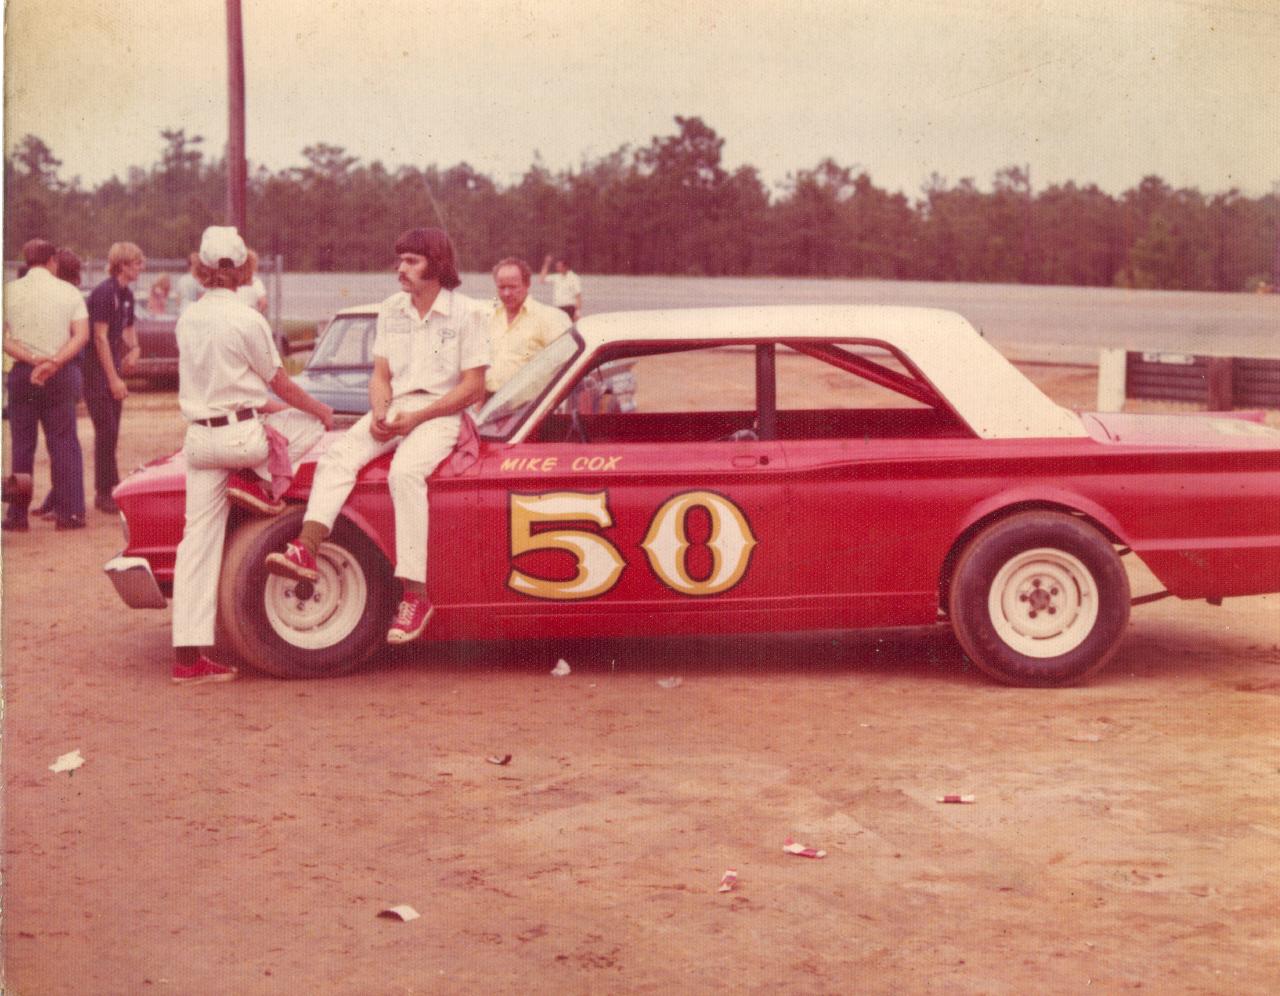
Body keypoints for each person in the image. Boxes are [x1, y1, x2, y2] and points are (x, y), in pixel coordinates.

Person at [265, 227, 488, 645]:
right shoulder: (391, 309)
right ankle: (306, 548)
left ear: (437, 264)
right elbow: (381, 375)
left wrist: (417, 417)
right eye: (400, 259)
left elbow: (474, 387)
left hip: (441, 413)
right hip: (396, 407)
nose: (401, 268)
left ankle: (415, 595)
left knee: (404, 474)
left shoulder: (468, 313)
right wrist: (381, 410)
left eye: (412, 261)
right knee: (337, 457)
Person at [170, 225, 334, 685]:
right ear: (244, 267)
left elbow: (234, 386)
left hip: (201, 440)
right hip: (241, 440)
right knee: (308, 422)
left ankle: (188, 659)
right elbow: (279, 384)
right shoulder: (247, 319)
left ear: (201, 268)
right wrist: (321, 410)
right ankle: (257, 482)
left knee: (196, 545)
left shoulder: (188, 318)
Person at [2, 239, 91, 531]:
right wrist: (54, 362)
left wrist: (31, 358)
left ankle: (17, 515)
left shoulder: (9, 291)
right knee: (63, 443)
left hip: (23, 373)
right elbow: (81, 335)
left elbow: (3, 338)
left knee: (22, 446)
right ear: (52, 260)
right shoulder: (69, 292)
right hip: (60, 374)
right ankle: (70, 513)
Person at [83, 241, 144, 514]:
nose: (141, 268)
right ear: (123, 265)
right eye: (137, 264)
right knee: (105, 431)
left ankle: (112, 486)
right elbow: (100, 337)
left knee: (112, 431)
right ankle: (103, 492)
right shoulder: (105, 293)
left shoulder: (127, 294)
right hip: (95, 372)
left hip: (112, 369)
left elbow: (128, 329)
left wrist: (135, 349)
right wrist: (113, 379)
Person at [30, 249, 87, 522]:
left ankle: (68, 504)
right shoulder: (69, 295)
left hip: (61, 369)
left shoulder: (62, 296)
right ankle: (60, 500)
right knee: (62, 443)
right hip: (67, 370)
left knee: (63, 444)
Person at [487, 256, 571, 395]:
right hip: (488, 401)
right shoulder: (488, 316)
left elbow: (567, 367)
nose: (506, 293)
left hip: (529, 404)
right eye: (501, 287)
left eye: (512, 287)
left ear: (527, 284)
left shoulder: (551, 318)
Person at [539, 253, 583, 321]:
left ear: (565, 267)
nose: (557, 268)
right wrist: (546, 264)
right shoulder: (556, 277)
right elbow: (542, 280)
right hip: (558, 307)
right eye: (557, 266)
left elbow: (578, 296)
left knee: (568, 325)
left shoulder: (574, 278)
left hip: (570, 307)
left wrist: (578, 312)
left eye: (559, 266)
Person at [235, 249, 269, 315]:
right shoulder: (255, 282)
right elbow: (263, 303)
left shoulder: (231, 281)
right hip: (249, 315)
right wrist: (257, 314)